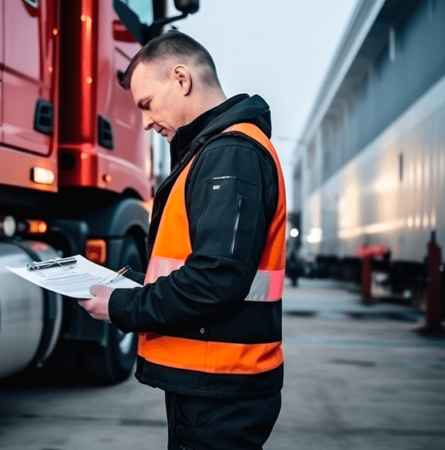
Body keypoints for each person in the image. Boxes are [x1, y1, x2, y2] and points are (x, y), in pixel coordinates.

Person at [78, 31, 286, 450]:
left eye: (146, 104)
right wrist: (126, 281)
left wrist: (120, 305)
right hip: (215, 381)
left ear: (181, 78)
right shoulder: (214, 153)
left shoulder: (231, 155)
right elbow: (198, 267)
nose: (146, 122)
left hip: (222, 385)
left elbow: (215, 281)